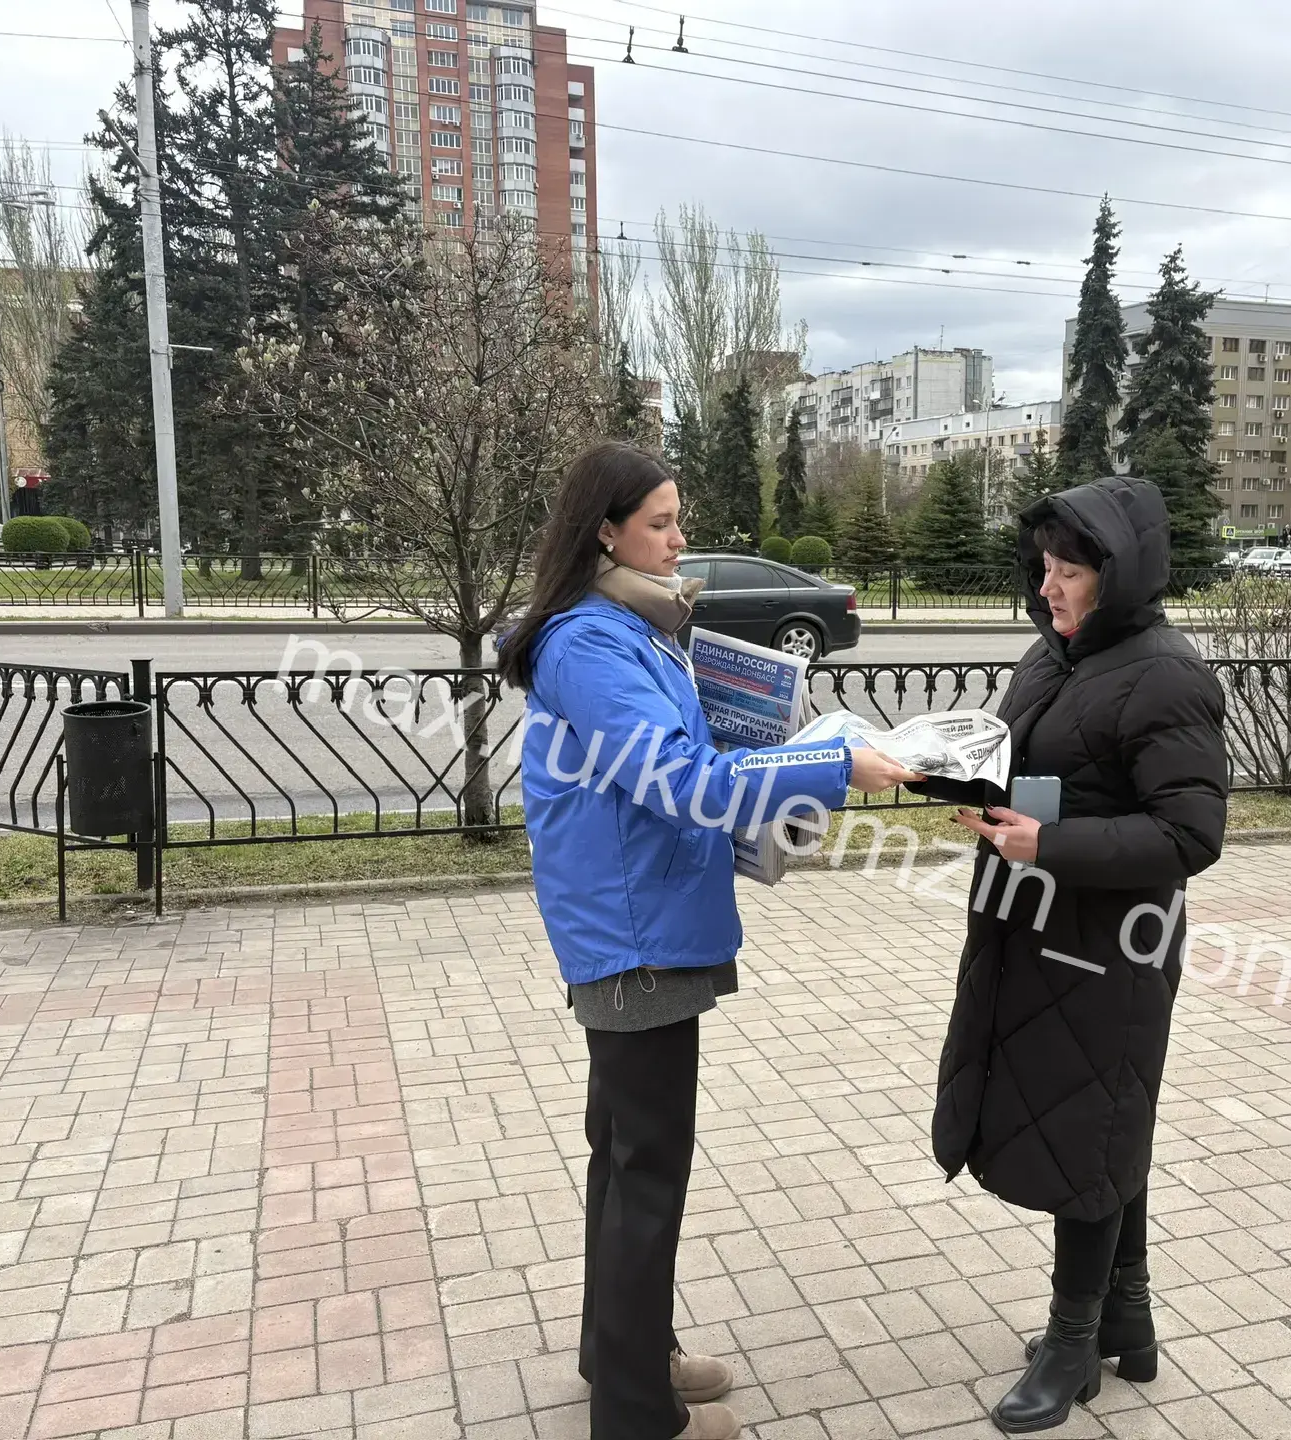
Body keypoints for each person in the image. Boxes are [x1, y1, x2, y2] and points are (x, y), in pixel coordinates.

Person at [497, 441, 917, 1440]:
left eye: (678, 519)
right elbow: (679, 784)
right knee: (646, 1173)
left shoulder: (623, 628)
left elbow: (677, 759)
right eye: (661, 522)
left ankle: (625, 1357)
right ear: (606, 531)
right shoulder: (592, 644)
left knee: (623, 1160)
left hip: (645, 920)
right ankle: (638, 1416)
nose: (680, 538)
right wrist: (832, 766)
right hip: (634, 937)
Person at [932, 475, 1229, 1432]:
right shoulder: (1053, 656)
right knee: (1105, 1123)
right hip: (1032, 929)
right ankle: (1126, 1319)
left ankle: (1072, 1346)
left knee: (1093, 1131)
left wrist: (1048, 845)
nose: (1048, 585)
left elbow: (1190, 835)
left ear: (1119, 573)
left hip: (1111, 945)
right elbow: (1023, 760)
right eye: (1044, 566)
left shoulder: (1167, 674)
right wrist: (952, 778)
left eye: (1069, 570)